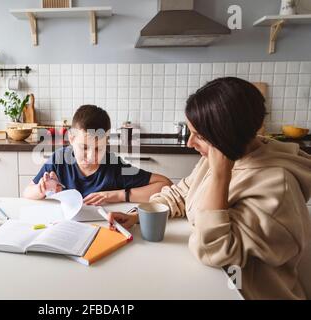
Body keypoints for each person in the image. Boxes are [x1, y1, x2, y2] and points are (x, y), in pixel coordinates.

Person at [109, 77, 311, 300]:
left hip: (246, 293)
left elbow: (215, 252)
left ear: (225, 137)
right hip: (214, 284)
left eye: (200, 136)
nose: (189, 143)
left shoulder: (275, 186)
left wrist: (220, 176)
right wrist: (138, 215)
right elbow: (181, 193)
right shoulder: (220, 155)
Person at [23, 105, 172, 205]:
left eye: (98, 149)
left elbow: (165, 185)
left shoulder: (114, 166)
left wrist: (118, 195)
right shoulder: (58, 160)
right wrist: (41, 190)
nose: (91, 156)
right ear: (72, 138)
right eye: (84, 147)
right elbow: (27, 193)